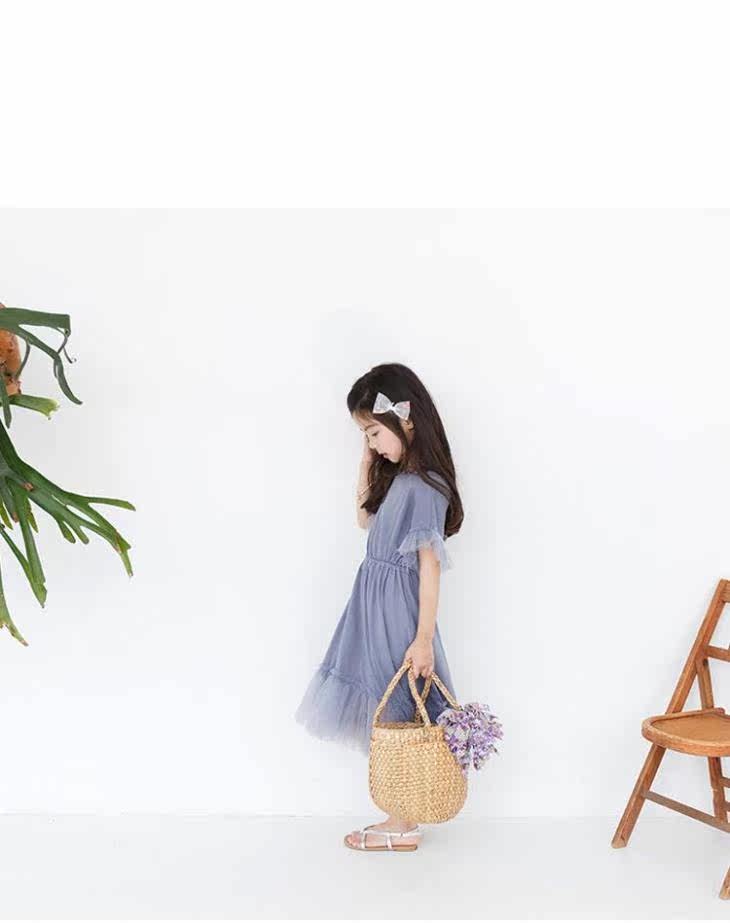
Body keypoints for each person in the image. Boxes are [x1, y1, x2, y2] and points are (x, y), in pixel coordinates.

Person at [294, 362, 464, 851]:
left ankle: (402, 823)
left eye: (373, 432)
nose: (370, 443)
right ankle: (398, 813)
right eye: (365, 435)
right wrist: (367, 460)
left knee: (398, 704)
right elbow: (363, 519)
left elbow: (429, 566)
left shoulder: (426, 485)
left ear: (404, 420)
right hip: (371, 600)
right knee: (383, 699)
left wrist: (423, 638)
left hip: (396, 608)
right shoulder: (402, 479)